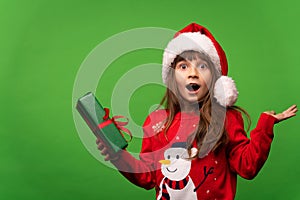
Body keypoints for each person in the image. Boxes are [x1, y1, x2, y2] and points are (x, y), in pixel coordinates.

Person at [96, 23, 297, 200]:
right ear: (172, 77)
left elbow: (248, 167)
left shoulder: (228, 119)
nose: (193, 73)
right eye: (183, 66)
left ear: (215, 79)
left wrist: (265, 127)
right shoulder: (157, 121)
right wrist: (117, 155)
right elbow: (147, 176)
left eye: (202, 66)